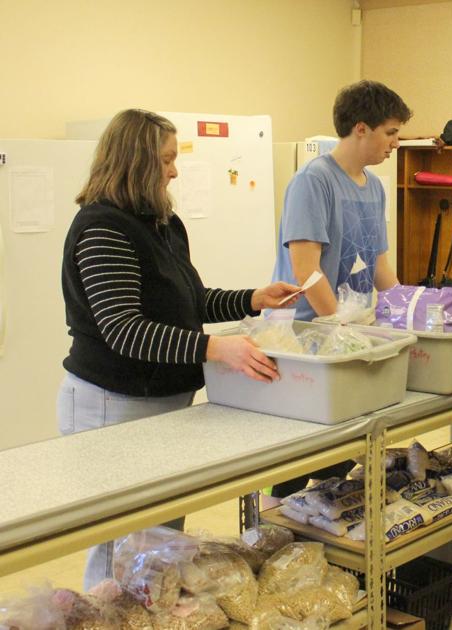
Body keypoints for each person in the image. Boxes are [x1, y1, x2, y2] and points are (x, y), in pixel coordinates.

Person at [60, 108, 301, 589]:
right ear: (136, 162)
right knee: (120, 549)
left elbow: (189, 301)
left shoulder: (162, 223)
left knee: (161, 544)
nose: (174, 170)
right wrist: (218, 349)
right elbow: (124, 329)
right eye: (167, 160)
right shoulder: (103, 228)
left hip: (167, 401)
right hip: (115, 404)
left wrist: (251, 299)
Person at [270, 80, 412, 497]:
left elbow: (381, 267)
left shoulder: (375, 186)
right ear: (361, 128)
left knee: (343, 448)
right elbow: (306, 272)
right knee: (297, 463)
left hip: (347, 337)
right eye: (390, 132)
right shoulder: (314, 182)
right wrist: (338, 327)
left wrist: (411, 312)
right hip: (305, 339)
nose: (396, 144)